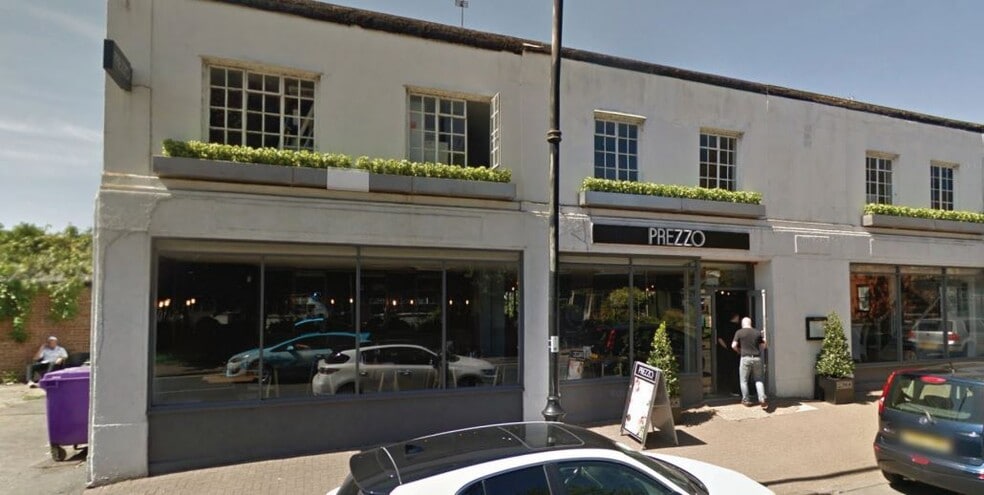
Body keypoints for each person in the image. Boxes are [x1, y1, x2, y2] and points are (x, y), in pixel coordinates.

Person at [732, 317, 768, 409]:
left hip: (745, 358)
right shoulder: (757, 332)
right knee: (758, 380)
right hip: (757, 358)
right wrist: (763, 338)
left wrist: (739, 351)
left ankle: (746, 400)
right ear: (750, 323)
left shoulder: (739, 332)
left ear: (742, 324)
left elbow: (733, 345)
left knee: (743, 380)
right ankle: (762, 399)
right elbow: (764, 346)